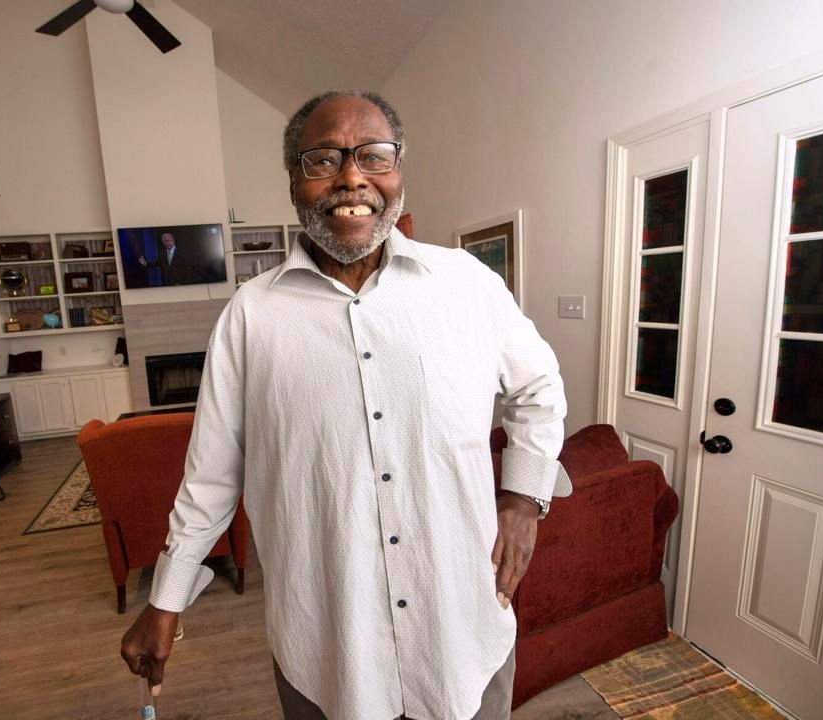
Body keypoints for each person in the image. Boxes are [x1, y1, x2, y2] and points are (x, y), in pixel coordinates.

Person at [119, 89, 571, 720]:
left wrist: (524, 501)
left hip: (462, 641)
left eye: (373, 156)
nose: (352, 177)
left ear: (399, 171)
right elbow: (212, 476)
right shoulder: (250, 317)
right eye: (323, 160)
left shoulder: (469, 287)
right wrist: (166, 599)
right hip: (330, 657)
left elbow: (539, 388)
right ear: (295, 182)